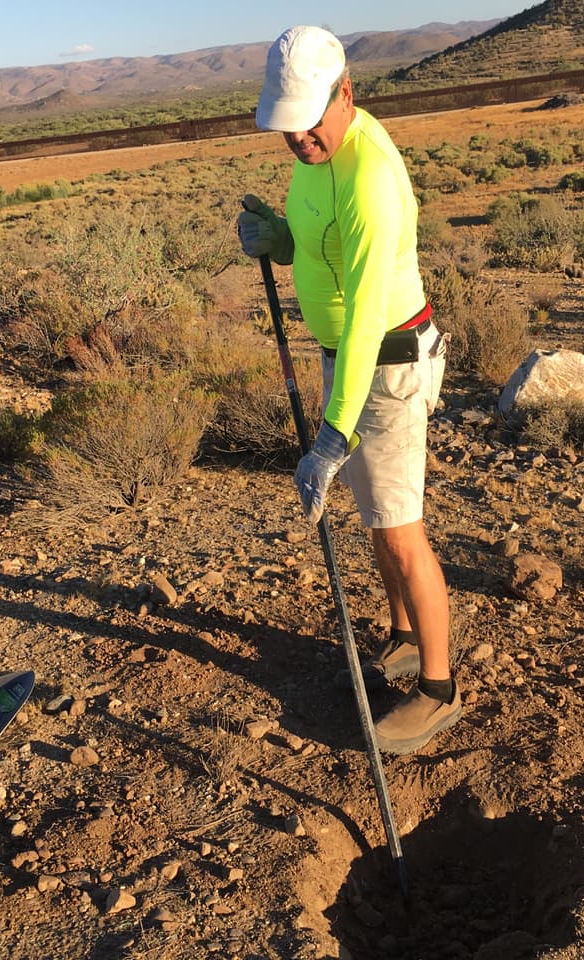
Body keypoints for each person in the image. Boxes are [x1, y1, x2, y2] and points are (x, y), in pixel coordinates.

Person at [237, 25, 459, 755]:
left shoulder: (368, 176)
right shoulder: (315, 160)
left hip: (387, 364)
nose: (301, 141)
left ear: (348, 94)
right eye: (288, 128)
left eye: (311, 123)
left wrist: (333, 434)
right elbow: (313, 239)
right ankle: (399, 636)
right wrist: (278, 236)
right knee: (375, 517)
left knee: (400, 528)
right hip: (350, 360)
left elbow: (366, 313)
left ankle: (437, 688)